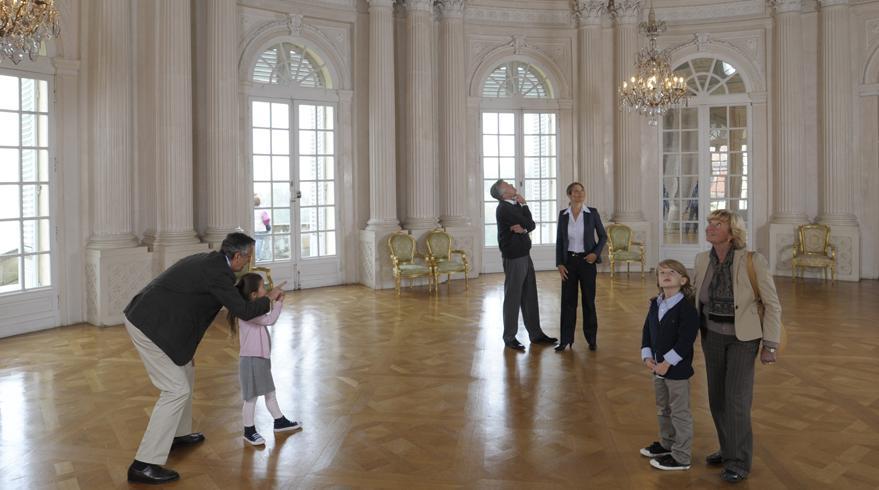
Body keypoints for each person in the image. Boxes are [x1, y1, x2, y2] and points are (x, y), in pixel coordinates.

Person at [123, 232, 285, 484]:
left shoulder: (211, 263)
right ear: (237, 255)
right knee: (175, 390)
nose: (249, 262)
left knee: (185, 370)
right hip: (148, 324)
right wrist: (269, 299)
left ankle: (177, 435)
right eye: (248, 257)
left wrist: (186, 350)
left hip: (160, 321)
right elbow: (242, 310)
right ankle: (144, 464)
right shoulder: (217, 274)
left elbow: (192, 311)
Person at [693, 209, 782, 483]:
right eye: (709, 223)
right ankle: (727, 447)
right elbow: (695, 298)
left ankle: (739, 460)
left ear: (731, 233)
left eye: (716, 224)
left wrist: (770, 345)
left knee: (736, 400)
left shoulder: (753, 261)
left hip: (744, 339)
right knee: (717, 398)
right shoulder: (700, 260)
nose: (709, 227)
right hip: (712, 336)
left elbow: (772, 304)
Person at [639, 259, 700, 471]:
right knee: (662, 408)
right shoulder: (655, 303)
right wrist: (647, 356)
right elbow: (647, 331)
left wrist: (667, 363)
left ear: (683, 280)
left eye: (671, 272)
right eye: (661, 272)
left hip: (676, 370)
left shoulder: (687, 309)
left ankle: (682, 456)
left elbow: (686, 340)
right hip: (657, 367)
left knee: (679, 412)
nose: (665, 275)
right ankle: (667, 443)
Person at [229, 273, 301, 446]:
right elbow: (270, 319)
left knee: (269, 392)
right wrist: (278, 303)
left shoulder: (252, 308)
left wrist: (274, 300)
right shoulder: (248, 312)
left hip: (260, 358)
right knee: (251, 398)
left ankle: (279, 421)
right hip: (252, 360)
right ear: (253, 294)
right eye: (262, 287)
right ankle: (249, 430)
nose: (266, 289)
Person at [489, 179, 557, 351]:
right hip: (514, 257)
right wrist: (525, 205)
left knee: (530, 294)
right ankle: (509, 337)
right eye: (508, 185)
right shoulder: (505, 208)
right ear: (503, 194)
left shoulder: (514, 205)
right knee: (513, 296)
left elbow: (529, 225)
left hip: (524, 255)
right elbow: (529, 223)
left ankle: (535, 334)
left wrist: (525, 226)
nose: (512, 186)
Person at [554, 182, 607, 351]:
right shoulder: (563, 215)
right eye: (575, 191)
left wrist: (595, 253)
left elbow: (603, 236)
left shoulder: (592, 213)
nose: (579, 193)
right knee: (568, 302)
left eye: (582, 191)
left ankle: (591, 339)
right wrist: (559, 264)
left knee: (588, 301)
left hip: (587, 262)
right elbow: (560, 241)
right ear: (569, 195)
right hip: (569, 262)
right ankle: (565, 340)